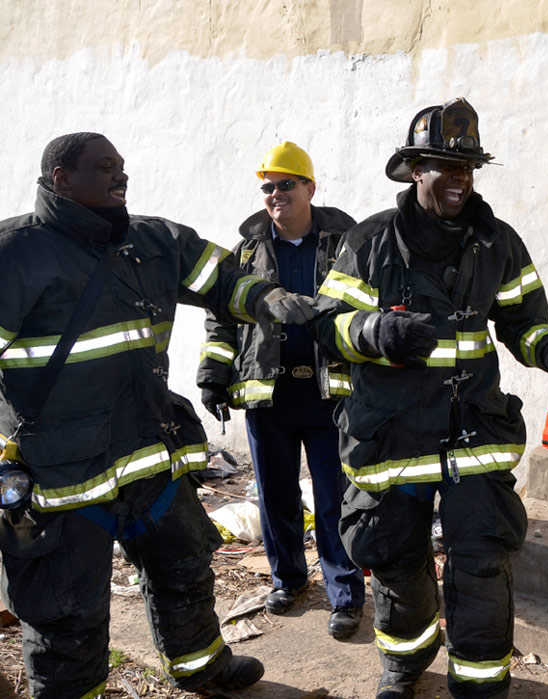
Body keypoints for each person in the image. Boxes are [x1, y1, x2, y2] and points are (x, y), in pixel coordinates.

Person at [0, 132, 318, 698]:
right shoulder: (15, 254)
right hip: (64, 476)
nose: (121, 176)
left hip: (150, 451)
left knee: (184, 565)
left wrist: (263, 298)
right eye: (104, 168)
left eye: (122, 166)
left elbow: (222, 278)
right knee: (67, 606)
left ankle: (200, 666)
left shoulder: (154, 240)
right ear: (61, 179)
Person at [310, 97, 548, 699]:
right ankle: (405, 662)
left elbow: (523, 320)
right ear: (416, 170)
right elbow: (327, 326)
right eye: (446, 167)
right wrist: (376, 332)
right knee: (395, 556)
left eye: (468, 168)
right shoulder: (370, 241)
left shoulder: (498, 243)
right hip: (393, 434)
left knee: (483, 559)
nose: (460, 179)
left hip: (473, 430)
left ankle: (481, 681)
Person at [198, 141, 365, 638]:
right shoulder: (246, 253)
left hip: (329, 395)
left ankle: (345, 594)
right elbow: (222, 319)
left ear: (310, 188)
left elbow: (366, 310)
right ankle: (288, 580)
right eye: (268, 187)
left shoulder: (345, 247)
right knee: (275, 496)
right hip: (268, 396)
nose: (275, 194)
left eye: (286, 184)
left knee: (335, 498)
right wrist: (213, 375)